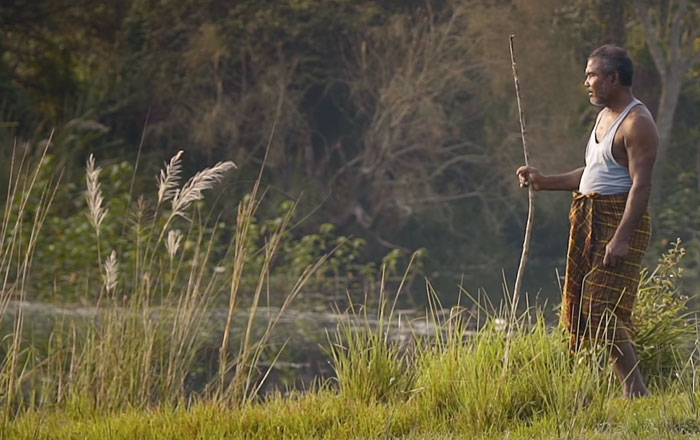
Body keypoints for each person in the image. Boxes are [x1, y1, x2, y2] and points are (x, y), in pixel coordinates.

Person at [516, 45, 658, 398]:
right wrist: (544, 180)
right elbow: (593, 173)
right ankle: (606, 389)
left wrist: (621, 238)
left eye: (592, 75)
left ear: (614, 78)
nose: (587, 83)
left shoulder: (637, 122)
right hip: (589, 219)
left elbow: (641, 186)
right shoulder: (603, 117)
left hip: (619, 222)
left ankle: (635, 391)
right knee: (585, 307)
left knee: (601, 309)